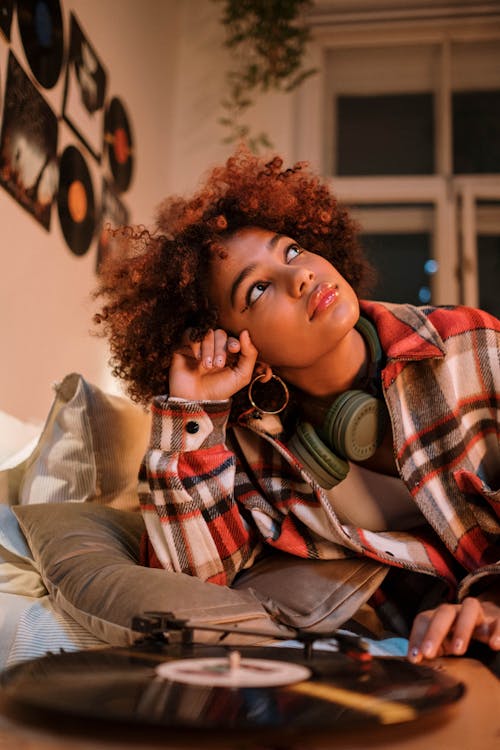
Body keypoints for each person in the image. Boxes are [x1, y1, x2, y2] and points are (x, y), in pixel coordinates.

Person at [94, 147, 500, 664]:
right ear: (227, 341)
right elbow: (192, 591)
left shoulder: (471, 345)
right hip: (424, 665)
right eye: (259, 289)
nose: (300, 277)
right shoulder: (248, 452)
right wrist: (190, 412)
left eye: (290, 252)